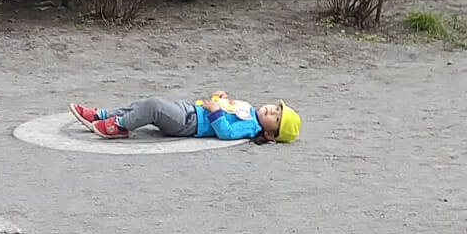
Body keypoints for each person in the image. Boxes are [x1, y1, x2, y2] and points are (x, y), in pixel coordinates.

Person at [71, 93, 301, 144]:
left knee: (154, 106)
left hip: (190, 124)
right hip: (189, 109)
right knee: (145, 103)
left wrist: (216, 111)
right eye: (276, 108)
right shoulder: (249, 109)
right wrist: (219, 98)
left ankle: (119, 126)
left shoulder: (251, 128)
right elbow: (222, 106)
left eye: (277, 118)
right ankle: (102, 115)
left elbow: (226, 132)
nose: (272, 111)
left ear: (270, 134)